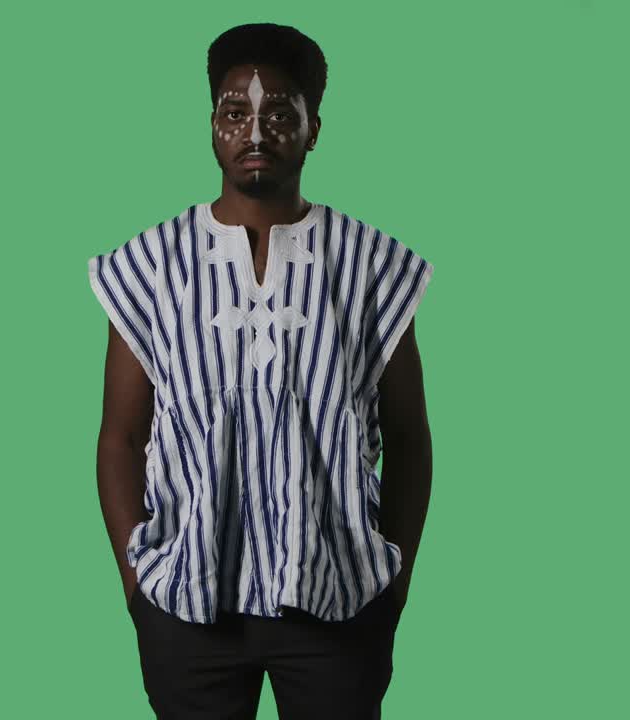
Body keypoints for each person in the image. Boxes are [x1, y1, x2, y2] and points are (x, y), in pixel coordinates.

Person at [88, 22, 434, 720]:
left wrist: (390, 588)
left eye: (279, 113)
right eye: (235, 112)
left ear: (312, 129)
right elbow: (120, 439)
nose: (255, 131)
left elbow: (411, 436)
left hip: (337, 604)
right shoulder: (150, 264)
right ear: (212, 124)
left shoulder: (372, 265)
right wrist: (137, 587)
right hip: (187, 604)